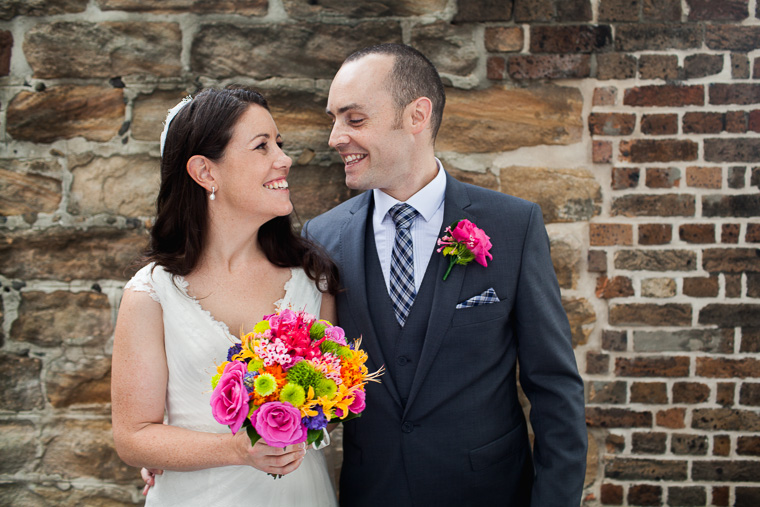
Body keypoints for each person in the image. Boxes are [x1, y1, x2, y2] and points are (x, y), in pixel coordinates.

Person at [301, 44, 588, 506]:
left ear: (417, 115)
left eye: (354, 120)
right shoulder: (323, 237)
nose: (335, 137)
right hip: (373, 493)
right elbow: (310, 376)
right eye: (333, 119)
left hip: (488, 492)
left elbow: (554, 387)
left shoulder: (513, 226)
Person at [111, 86, 340, 506]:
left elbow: (328, 407)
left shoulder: (313, 280)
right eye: (261, 146)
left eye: (280, 144)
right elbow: (133, 437)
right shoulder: (152, 293)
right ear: (205, 172)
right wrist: (237, 450)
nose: (284, 159)